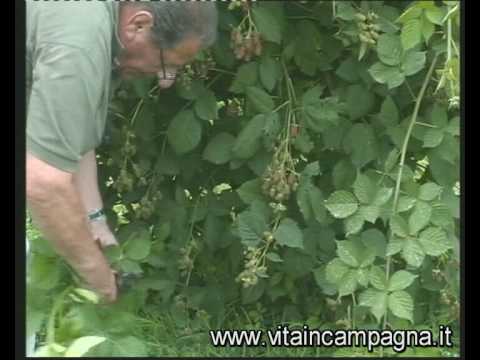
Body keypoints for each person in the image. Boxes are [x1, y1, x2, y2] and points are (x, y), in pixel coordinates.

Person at [25, 1, 218, 303]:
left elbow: (74, 135)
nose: (166, 81)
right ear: (138, 25)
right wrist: (96, 275)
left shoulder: (103, 26)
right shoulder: (81, 45)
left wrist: (95, 220)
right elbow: (43, 183)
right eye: (168, 63)